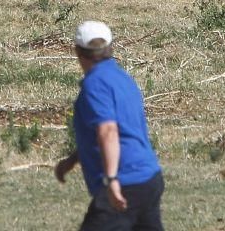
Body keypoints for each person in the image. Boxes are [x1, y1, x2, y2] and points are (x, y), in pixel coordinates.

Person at [55, 21, 164, 231]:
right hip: (149, 177)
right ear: (110, 48)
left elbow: (108, 131)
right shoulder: (122, 78)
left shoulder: (95, 84)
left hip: (124, 181)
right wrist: (73, 160)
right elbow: (114, 131)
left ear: (77, 51)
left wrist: (112, 179)